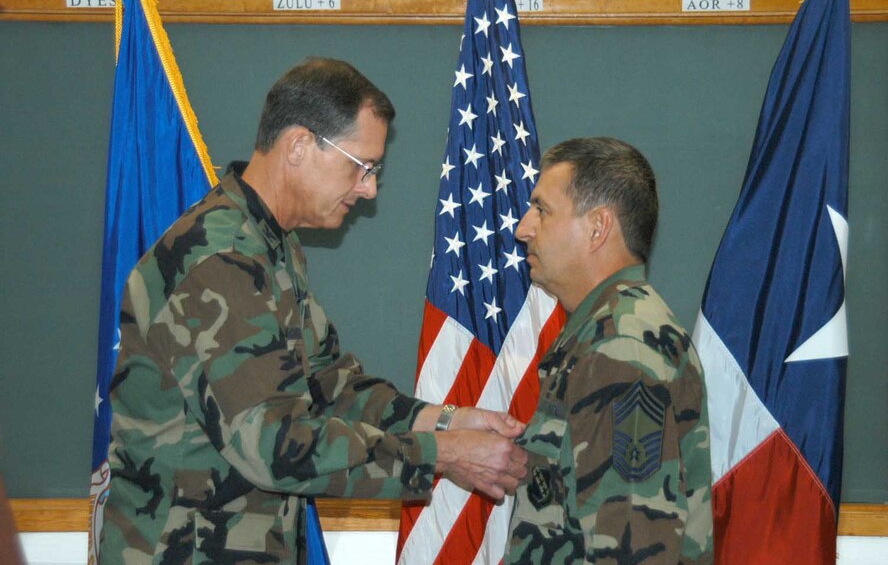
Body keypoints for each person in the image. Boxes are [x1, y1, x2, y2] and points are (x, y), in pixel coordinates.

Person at [100, 57, 528, 563]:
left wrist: (444, 422)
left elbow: (328, 385)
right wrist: (443, 455)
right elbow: (275, 445)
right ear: (300, 145)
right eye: (362, 167)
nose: (369, 188)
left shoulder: (270, 246)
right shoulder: (219, 262)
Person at [506, 137, 713, 564]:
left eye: (542, 210)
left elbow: (633, 548)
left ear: (599, 227)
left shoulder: (622, 346)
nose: (522, 228)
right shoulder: (604, 331)